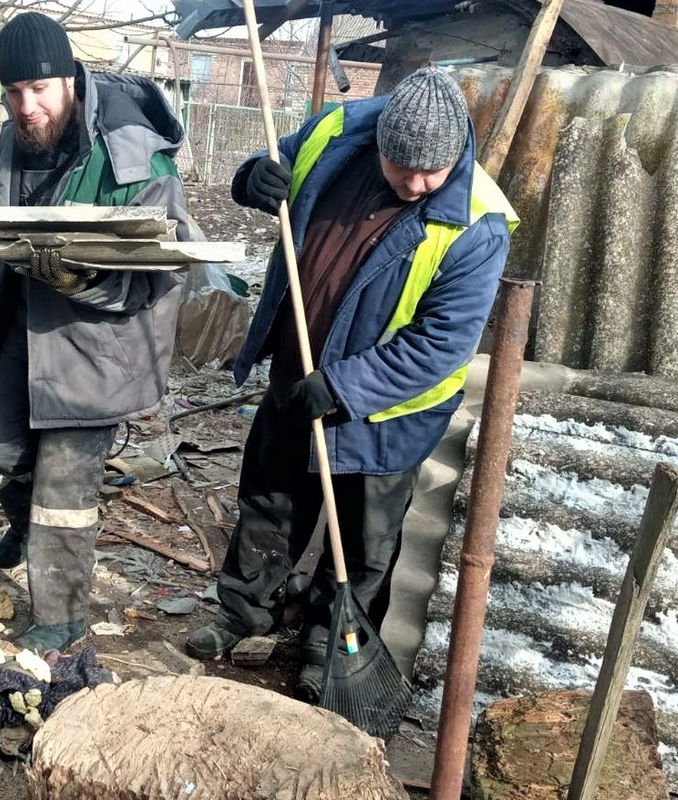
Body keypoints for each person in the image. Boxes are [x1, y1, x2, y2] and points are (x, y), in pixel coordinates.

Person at [184, 68, 518, 700]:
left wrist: (344, 387)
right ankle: (244, 612)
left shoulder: (477, 224)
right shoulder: (336, 133)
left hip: (384, 413)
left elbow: (441, 346)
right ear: (380, 144)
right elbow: (273, 161)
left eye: (432, 173)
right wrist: (253, 177)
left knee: (364, 544)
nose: (416, 184)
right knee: (270, 504)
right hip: (296, 371)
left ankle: (329, 642)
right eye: (402, 167)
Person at [0, 12, 197, 654]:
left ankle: (59, 617)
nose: (26, 108)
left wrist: (79, 283)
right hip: (29, 326)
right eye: (13, 93)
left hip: (102, 341)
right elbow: (8, 228)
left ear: (71, 78)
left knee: (64, 487)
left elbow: (162, 276)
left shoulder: (134, 154)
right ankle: (26, 526)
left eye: (40, 90)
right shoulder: (18, 136)